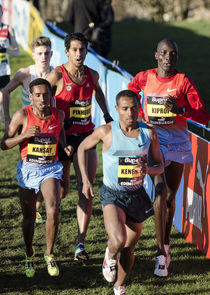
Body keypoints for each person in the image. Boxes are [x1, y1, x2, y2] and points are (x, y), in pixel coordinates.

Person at [128, 38, 210, 277]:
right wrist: (140, 114)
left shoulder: (182, 81)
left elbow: (202, 115)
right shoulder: (145, 77)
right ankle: (160, 255)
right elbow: (130, 91)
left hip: (178, 143)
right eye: (164, 53)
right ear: (156, 55)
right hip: (155, 142)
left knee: (171, 197)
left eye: (173, 54)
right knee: (161, 193)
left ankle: (166, 246)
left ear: (177, 57)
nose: (168, 58)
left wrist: (181, 110)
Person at [77, 90, 164, 295]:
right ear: (116, 110)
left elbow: (160, 165)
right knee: (118, 240)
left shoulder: (148, 133)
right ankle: (109, 255)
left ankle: (120, 286)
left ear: (138, 107)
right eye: (124, 109)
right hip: (112, 194)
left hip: (136, 195)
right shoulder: (106, 132)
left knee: (129, 248)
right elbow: (82, 148)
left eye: (133, 108)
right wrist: (85, 180)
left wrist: (149, 170)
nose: (130, 113)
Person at [46, 32, 113, 261]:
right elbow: (42, 96)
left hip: (85, 138)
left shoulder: (92, 75)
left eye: (82, 50)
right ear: (66, 52)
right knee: (63, 189)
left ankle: (80, 244)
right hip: (63, 138)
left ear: (86, 51)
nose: (78, 54)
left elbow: (100, 93)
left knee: (86, 188)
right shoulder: (57, 75)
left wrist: (106, 114)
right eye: (74, 49)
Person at [1, 78, 72, 278]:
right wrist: (23, 136)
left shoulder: (58, 114)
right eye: (38, 95)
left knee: (53, 208)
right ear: (30, 96)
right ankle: (29, 253)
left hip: (50, 168)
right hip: (28, 170)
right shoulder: (22, 115)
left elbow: (61, 136)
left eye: (46, 94)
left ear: (51, 95)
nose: (43, 99)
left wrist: (64, 147)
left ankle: (49, 254)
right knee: (29, 219)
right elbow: (4, 143)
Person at [3, 35, 53, 224]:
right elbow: (6, 91)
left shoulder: (56, 74)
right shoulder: (24, 73)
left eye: (47, 53)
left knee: (47, 165)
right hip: (28, 128)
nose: (43, 57)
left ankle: (37, 207)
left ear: (52, 54)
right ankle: (33, 206)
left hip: (49, 128)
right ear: (33, 54)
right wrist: (8, 118)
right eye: (40, 53)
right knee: (32, 165)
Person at [0, 4, 19, 124]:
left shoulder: (8, 29)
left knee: (1, 101)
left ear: (1, 13)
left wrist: (5, 50)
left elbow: (17, 52)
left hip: (3, 71)